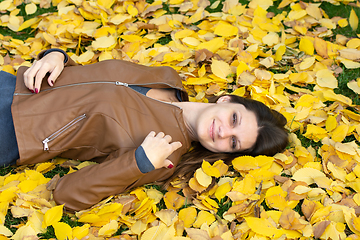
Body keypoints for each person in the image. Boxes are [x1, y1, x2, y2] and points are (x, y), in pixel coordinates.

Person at [0, 49, 289, 211]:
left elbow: (68, 194)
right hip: (12, 83)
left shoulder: (163, 152)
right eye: (234, 120)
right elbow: (95, 81)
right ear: (226, 101)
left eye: (234, 143)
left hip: (12, 133)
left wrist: (137, 163)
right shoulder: (168, 78)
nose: (224, 132)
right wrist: (58, 57)